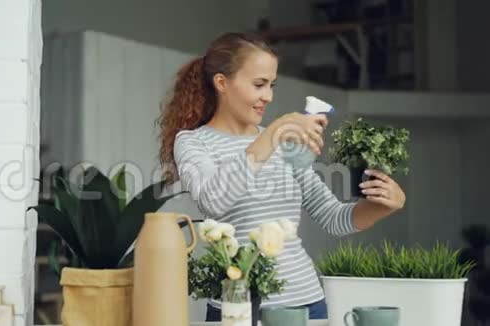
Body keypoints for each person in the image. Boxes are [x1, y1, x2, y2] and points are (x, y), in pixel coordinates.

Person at [156, 32, 406, 321]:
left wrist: (383, 206)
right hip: (239, 306)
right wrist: (274, 133)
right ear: (222, 83)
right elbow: (214, 200)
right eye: (259, 84)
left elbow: (333, 217)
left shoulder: (283, 143)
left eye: (272, 85)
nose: (268, 96)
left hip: (307, 304)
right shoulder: (193, 142)